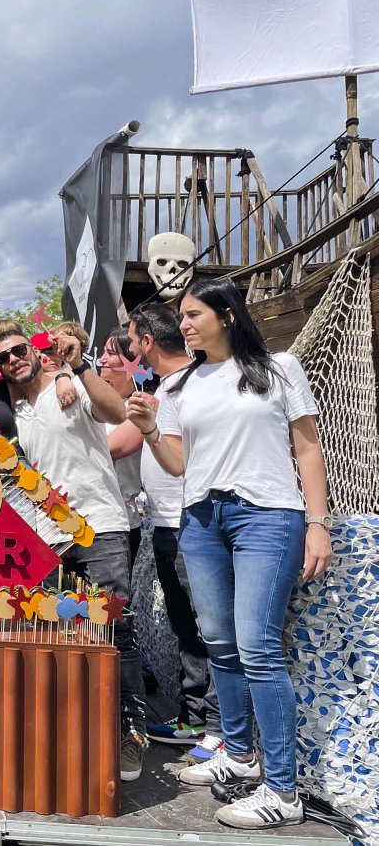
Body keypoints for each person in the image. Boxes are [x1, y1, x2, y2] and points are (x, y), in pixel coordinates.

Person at [126, 279, 330, 830]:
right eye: (182, 317)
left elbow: (307, 446)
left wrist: (318, 523)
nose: (184, 325)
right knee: (220, 642)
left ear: (227, 315)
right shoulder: (187, 383)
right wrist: (148, 428)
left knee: (258, 647)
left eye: (193, 315)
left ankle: (282, 790)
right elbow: (178, 464)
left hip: (267, 514)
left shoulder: (280, 367)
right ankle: (238, 756)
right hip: (201, 518)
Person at [0, 327, 150, 782]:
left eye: (19, 350)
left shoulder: (75, 384)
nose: (13, 359)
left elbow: (116, 410)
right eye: (3, 357)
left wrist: (76, 368)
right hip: (45, 533)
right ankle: (70, 731)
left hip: (99, 524)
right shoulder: (11, 409)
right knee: (55, 632)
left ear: (34, 349)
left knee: (112, 631)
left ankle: (130, 732)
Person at [127, 302, 222, 762]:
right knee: (187, 626)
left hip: (195, 521)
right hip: (163, 522)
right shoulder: (164, 386)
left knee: (212, 628)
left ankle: (222, 726)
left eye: (131, 339)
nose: (130, 349)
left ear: (147, 341)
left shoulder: (197, 383)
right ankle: (194, 717)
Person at [99, 327, 145, 566]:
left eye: (110, 352)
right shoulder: (92, 402)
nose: (101, 359)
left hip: (120, 522)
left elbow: (108, 449)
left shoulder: (140, 404)